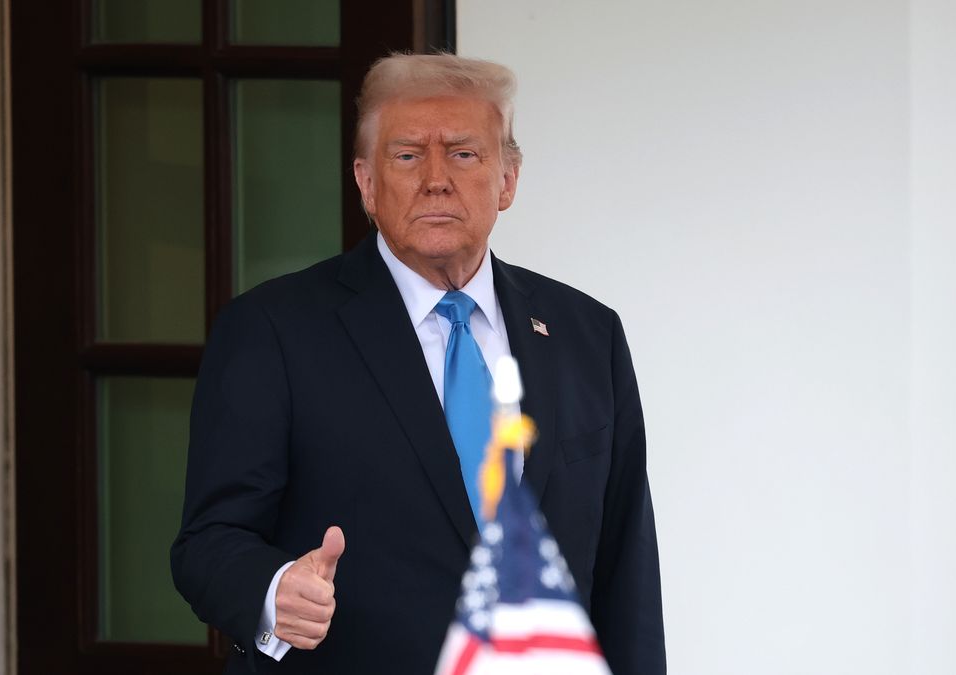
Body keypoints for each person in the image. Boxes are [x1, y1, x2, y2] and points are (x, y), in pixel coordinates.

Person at [171, 53, 665, 675]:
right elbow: (208, 541)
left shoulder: (587, 333)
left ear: (508, 178)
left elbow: (627, 571)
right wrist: (274, 591)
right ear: (366, 183)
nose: (435, 179)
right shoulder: (272, 330)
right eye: (407, 155)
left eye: (463, 153)